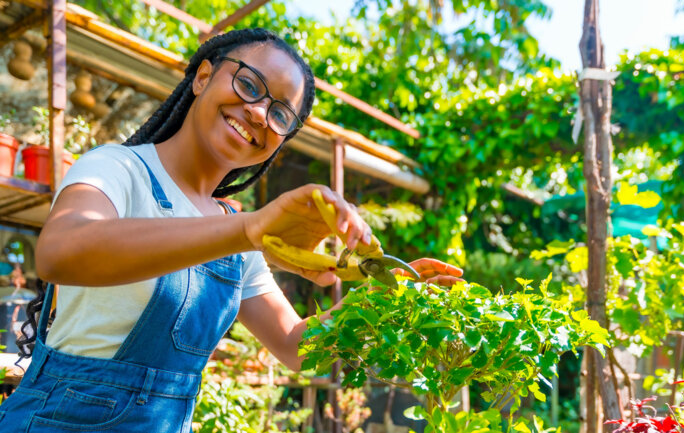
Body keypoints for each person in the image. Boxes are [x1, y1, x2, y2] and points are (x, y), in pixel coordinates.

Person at [0, 28, 463, 431]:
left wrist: (383, 297)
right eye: (249, 85)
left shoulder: (235, 230)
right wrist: (251, 229)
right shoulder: (117, 169)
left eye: (281, 114)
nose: (261, 113)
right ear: (203, 76)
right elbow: (61, 251)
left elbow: (296, 347)